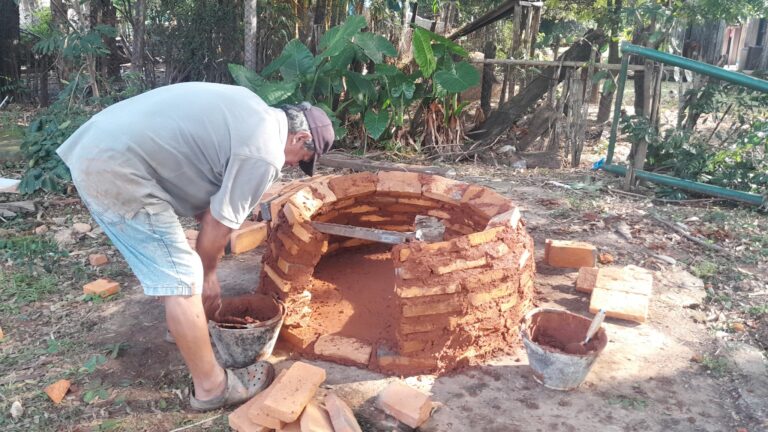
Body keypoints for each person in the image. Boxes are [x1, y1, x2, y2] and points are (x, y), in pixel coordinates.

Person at [56, 82, 335, 411]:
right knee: (184, 276)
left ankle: (186, 328)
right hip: (117, 166)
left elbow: (207, 196)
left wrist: (208, 253)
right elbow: (218, 225)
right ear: (300, 138)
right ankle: (212, 387)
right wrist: (208, 275)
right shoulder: (264, 153)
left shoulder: (253, 110)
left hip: (102, 144)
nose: (294, 166)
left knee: (181, 270)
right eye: (303, 158)